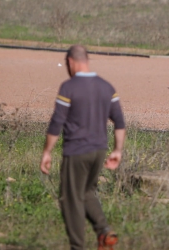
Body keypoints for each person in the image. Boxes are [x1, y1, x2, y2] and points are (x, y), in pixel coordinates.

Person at [40, 45, 126, 250]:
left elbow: (56, 122)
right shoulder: (107, 86)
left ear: (70, 61)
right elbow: (120, 122)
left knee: (70, 198)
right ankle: (104, 231)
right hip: (99, 150)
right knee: (86, 192)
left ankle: (77, 247)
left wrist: (47, 152)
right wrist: (117, 151)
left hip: (77, 151)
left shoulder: (69, 87)